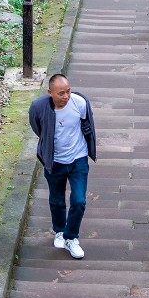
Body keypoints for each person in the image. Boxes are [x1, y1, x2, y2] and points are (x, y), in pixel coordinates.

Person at [28, 73, 97, 260]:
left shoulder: (80, 103)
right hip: (55, 161)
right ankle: (59, 230)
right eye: (61, 93)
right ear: (50, 93)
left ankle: (71, 237)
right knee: (57, 200)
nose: (66, 96)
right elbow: (37, 128)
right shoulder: (39, 107)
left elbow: (87, 124)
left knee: (79, 200)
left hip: (78, 158)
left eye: (68, 91)